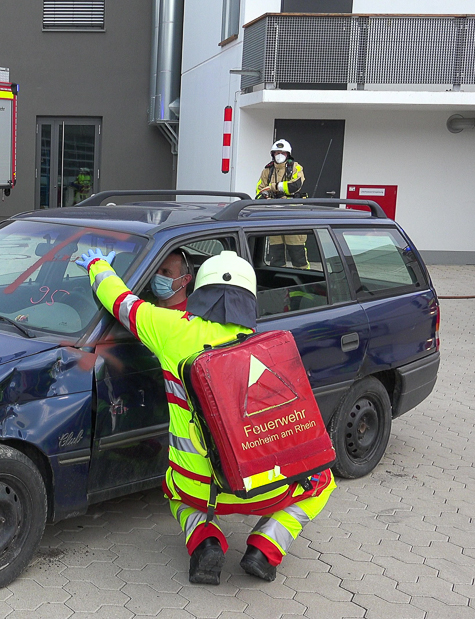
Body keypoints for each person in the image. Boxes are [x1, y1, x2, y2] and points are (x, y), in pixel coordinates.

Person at [75, 247, 335, 585]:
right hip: (262, 487)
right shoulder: (264, 345)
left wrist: (98, 266)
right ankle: (266, 547)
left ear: (199, 290)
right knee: (323, 480)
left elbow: (122, 303)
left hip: (195, 487)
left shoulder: (170, 329)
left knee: (172, 489)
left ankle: (205, 542)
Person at [256, 140, 308, 268]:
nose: (280, 155)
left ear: (288, 154)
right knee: (276, 254)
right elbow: (259, 191)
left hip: (293, 215)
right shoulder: (267, 170)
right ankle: (277, 276)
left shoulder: (296, 167)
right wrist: (265, 197)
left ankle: (304, 276)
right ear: (272, 154)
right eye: (277, 152)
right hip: (274, 215)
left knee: (297, 253)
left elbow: (295, 185)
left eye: (283, 153)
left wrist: (273, 187)